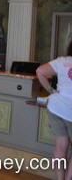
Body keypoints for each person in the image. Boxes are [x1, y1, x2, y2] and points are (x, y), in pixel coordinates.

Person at [36, 39, 72, 180]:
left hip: (56, 107)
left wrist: (51, 90)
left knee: (61, 145)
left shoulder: (62, 61)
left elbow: (40, 71)